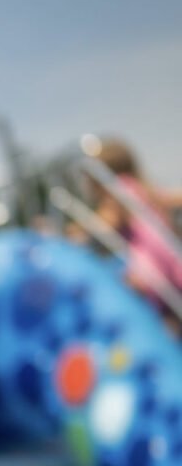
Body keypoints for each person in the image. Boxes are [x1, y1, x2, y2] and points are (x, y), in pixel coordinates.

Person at [71, 137, 182, 326]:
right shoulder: (141, 187)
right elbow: (171, 198)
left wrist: (77, 231)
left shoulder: (117, 192)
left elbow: (105, 223)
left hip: (148, 268)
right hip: (171, 257)